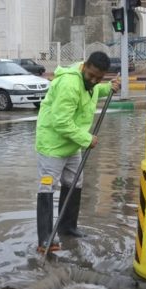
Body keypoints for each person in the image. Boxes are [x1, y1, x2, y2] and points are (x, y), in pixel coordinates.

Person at [35, 51, 120, 253]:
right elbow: (61, 122)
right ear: (84, 66)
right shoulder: (69, 85)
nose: (93, 81)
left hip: (72, 144)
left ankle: (67, 228)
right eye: (91, 76)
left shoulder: (90, 83)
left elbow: (93, 91)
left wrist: (108, 88)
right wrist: (87, 139)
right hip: (53, 145)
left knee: (74, 182)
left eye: (99, 78)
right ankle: (45, 238)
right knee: (47, 186)